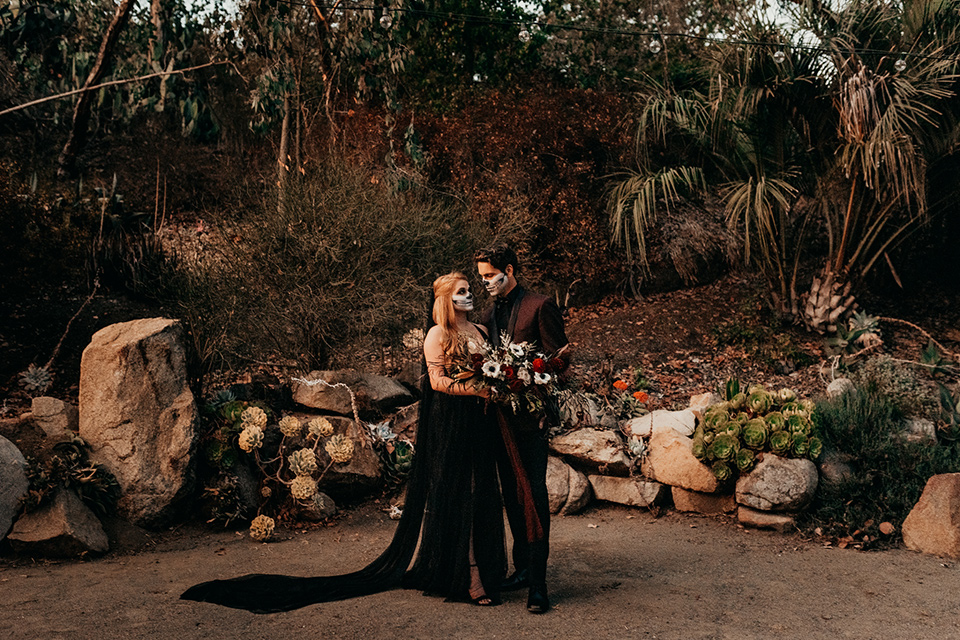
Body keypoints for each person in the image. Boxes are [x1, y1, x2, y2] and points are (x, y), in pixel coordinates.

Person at [181, 272, 505, 613]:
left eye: (470, 290)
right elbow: (437, 382)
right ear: (444, 299)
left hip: (482, 423)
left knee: (483, 492)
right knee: (461, 494)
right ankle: (468, 574)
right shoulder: (438, 334)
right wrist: (479, 389)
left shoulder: (481, 331)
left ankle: (488, 565)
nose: (469, 296)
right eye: (462, 291)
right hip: (452, 424)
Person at [475, 244, 569, 615]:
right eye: (480, 277)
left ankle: (540, 586)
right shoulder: (487, 312)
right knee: (512, 497)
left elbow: (560, 360)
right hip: (497, 421)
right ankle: (523, 569)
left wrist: (531, 377)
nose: (485, 283)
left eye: (488, 275)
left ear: (508, 269)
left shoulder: (540, 305)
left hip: (530, 420)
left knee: (533, 496)